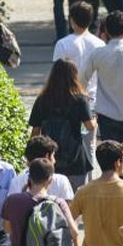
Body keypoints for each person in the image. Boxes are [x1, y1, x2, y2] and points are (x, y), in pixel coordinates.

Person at [81, 11, 123, 187]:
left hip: (106, 113)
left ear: (106, 31)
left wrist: (88, 100)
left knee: (110, 157)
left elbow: (81, 79)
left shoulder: (98, 54)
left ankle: (111, 191)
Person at [28, 61, 95, 190]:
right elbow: (89, 126)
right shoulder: (79, 99)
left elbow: (35, 132)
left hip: (49, 156)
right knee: (75, 200)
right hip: (75, 157)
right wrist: (95, 120)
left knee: (51, 197)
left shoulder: (42, 99)